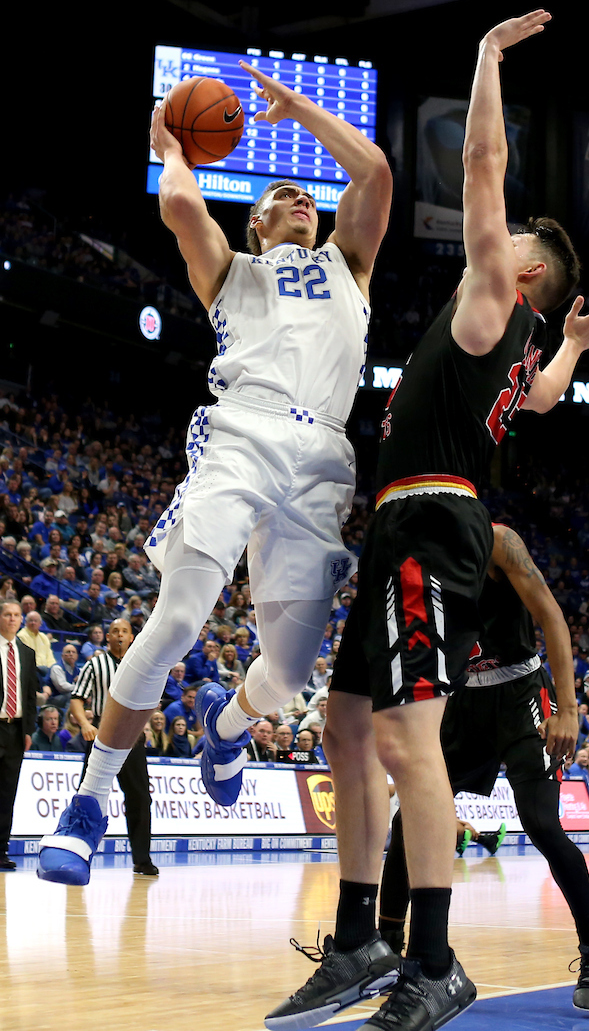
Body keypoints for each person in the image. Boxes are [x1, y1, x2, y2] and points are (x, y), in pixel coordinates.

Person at [270, 11, 589, 1031]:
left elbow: (480, 159)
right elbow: (545, 395)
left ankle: (432, 962)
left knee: (402, 733)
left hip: (433, 521)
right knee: (346, 723)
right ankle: (358, 938)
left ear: (522, 274)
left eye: (513, 243)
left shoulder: (489, 296)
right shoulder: (519, 346)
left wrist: (484, 57)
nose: (496, 238)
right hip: (404, 522)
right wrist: (573, 344)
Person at [38, 54, 393, 888]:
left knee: (290, 674)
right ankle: (88, 803)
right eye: (282, 198)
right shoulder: (231, 271)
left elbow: (374, 172)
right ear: (256, 224)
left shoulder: (350, 264)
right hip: (242, 435)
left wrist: (299, 109)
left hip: (324, 461)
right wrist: (171, 148)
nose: (300, 201)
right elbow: (178, 206)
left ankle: (226, 726)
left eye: (306, 198)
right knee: (178, 619)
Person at [378, 524, 589, 1010]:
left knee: (542, 824)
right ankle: (385, 949)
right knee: (409, 822)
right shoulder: (413, 552)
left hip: (522, 692)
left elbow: (552, 618)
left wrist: (568, 709)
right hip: (463, 699)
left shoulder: (497, 541)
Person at [38, 618, 159, 880]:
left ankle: (142, 859)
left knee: (140, 798)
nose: (119, 635)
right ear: (107, 637)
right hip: (102, 735)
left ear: (131, 637)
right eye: (115, 631)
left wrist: (147, 725)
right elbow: (77, 699)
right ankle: (76, 851)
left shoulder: (142, 665)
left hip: (134, 738)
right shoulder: (95, 664)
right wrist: (84, 724)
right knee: (87, 798)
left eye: (124, 631)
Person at [0, 600, 38, 870]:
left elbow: (30, 696)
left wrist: (28, 730)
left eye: (16, 615)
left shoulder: (26, 652)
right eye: (7, 614)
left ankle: (1, 849)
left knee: (7, 793)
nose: (12, 619)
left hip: (16, 730)